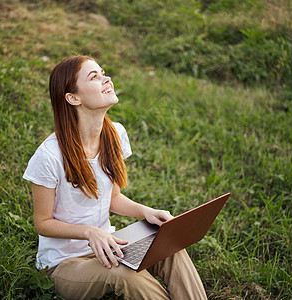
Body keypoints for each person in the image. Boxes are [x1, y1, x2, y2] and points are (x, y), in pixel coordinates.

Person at [23, 55, 207, 299]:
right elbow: (43, 223)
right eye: (94, 76)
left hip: (110, 244)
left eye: (103, 72)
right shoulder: (49, 155)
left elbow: (113, 198)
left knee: (170, 245)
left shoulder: (116, 134)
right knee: (124, 274)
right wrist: (90, 232)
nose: (105, 78)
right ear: (73, 97)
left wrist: (146, 212)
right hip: (65, 263)